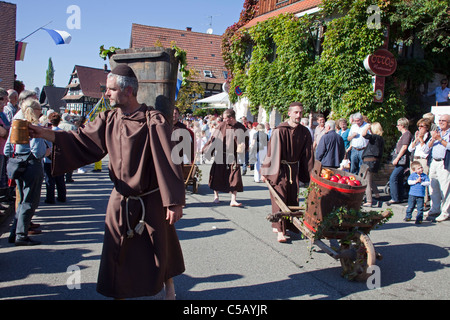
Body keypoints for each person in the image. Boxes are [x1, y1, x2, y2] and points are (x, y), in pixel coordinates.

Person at [28, 65, 185, 300]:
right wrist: (42, 133)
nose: (107, 94)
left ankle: (168, 287)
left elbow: (168, 161)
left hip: (149, 198)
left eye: (111, 89)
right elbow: (80, 140)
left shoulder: (154, 120)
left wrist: (173, 202)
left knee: (160, 245)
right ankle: (118, 293)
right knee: (116, 250)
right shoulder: (108, 119)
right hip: (120, 199)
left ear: (128, 91)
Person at [261, 102, 314, 243]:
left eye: (301, 112)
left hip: (293, 170)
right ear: (289, 113)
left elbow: (308, 155)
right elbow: (271, 153)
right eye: (296, 112)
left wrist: (310, 175)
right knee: (279, 199)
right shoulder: (280, 130)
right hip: (279, 169)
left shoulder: (305, 132)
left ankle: (284, 225)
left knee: (292, 199)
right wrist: (266, 172)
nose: (299, 115)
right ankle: (280, 231)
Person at [4, 98, 47, 246]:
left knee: (21, 201)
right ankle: (21, 236)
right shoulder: (34, 126)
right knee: (30, 202)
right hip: (31, 166)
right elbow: (38, 152)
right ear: (35, 111)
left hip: (17, 164)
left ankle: (14, 232)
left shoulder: (16, 125)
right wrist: (47, 151)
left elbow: (7, 150)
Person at [202, 108, 248, 207]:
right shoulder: (222, 125)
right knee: (217, 175)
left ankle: (233, 200)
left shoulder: (240, 127)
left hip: (233, 156)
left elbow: (246, 139)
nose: (224, 120)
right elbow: (213, 139)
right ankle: (216, 197)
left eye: (225, 118)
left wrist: (244, 145)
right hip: (221, 155)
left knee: (235, 176)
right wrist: (206, 149)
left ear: (231, 118)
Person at [423, 114, 450, 222]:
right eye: (439, 120)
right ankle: (435, 208)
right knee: (433, 188)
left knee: (445, 188)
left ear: (449, 123)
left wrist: (440, 139)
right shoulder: (436, 132)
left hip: (444, 163)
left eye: (443, 120)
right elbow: (425, 150)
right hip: (434, 161)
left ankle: (445, 212)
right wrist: (433, 139)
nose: (441, 122)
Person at [388, 118, 413, 205]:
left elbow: (404, 147)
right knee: (399, 178)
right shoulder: (403, 135)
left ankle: (394, 197)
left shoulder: (407, 134)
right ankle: (399, 197)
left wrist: (397, 158)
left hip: (403, 160)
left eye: (398, 125)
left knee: (393, 178)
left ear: (402, 125)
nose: (397, 126)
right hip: (400, 160)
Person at [43, 112, 66, 204]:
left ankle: (50, 198)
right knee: (60, 179)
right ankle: (62, 196)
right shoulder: (62, 132)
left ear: (49, 121)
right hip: (59, 159)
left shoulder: (47, 132)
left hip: (48, 158)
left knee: (49, 179)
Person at [408, 118, 432, 205]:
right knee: (414, 179)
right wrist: (416, 140)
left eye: (422, 126)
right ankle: (413, 201)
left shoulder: (429, 136)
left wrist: (421, 139)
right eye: (419, 126)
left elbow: (425, 150)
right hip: (415, 159)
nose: (420, 128)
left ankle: (423, 202)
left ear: (427, 127)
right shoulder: (416, 135)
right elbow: (410, 149)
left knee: (422, 180)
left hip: (423, 159)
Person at [361, 122, 384, 207]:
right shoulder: (379, 138)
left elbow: (364, 134)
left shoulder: (375, 137)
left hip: (369, 161)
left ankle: (369, 200)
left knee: (367, 182)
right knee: (370, 179)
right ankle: (377, 194)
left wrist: (366, 127)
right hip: (374, 161)